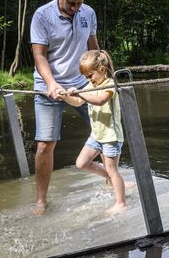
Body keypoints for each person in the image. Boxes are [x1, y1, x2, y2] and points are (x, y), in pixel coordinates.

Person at [30, 0, 100, 216]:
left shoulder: (88, 13)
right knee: (45, 144)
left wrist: (103, 77)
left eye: (79, 3)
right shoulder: (42, 15)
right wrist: (51, 84)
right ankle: (41, 200)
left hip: (82, 85)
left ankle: (111, 179)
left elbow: (93, 49)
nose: (74, 7)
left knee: (107, 131)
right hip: (49, 86)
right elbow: (39, 55)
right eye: (71, 2)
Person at [59, 50, 127, 214]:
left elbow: (100, 100)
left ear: (102, 69)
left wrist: (81, 94)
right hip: (96, 135)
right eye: (86, 77)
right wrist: (64, 96)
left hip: (110, 136)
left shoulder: (110, 84)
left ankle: (121, 203)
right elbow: (76, 101)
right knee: (81, 163)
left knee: (112, 169)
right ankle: (110, 179)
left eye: (91, 75)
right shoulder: (91, 85)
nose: (89, 79)